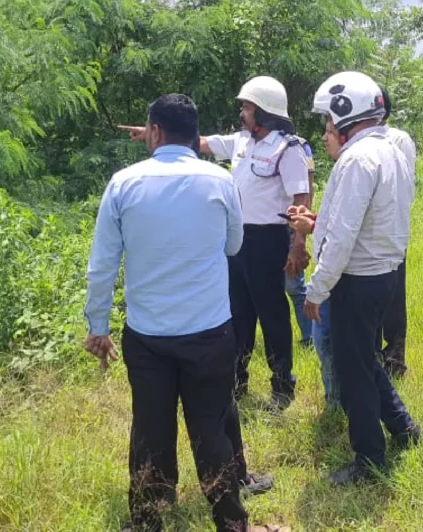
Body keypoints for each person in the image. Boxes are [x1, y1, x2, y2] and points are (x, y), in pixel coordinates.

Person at [87, 94, 280, 532]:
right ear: (196, 136)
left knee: (150, 430)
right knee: (211, 428)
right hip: (209, 332)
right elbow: (233, 246)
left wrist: (98, 328)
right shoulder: (219, 182)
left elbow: (102, 266)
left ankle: (148, 522)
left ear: (154, 132)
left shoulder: (123, 184)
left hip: (148, 336)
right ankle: (231, 521)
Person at [123, 77, 312, 410]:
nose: (242, 111)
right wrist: (153, 132)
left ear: (264, 111)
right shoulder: (241, 142)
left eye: (247, 106)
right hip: (237, 240)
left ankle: (282, 386)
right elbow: (203, 142)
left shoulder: (288, 148)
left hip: (269, 241)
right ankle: (236, 383)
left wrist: (298, 244)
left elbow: (302, 197)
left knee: (272, 315)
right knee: (237, 313)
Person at [289, 71, 422, 485]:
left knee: (354, 374)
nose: (326, 133)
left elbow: (342, 236)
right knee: (365, 359)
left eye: (328, 123)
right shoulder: (391, 150)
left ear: (346, 116)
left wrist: (317, 288)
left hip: (356, 280)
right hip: (381, 274)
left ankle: (369, 460)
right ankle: (403, 428)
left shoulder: (358, 159)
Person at [376, 86, 417, 378]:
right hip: (364, 237)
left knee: (392, 299)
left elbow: (403, 189)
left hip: (391, 233)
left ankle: (394, 360)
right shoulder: (353, 139)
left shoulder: (398, 139)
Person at [285, 135, 316, 349]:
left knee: (294, 285)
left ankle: (309, 338)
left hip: (291, 223)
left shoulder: (299, 145)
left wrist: (300, 235)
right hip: (261, 229)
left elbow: (309, 186)